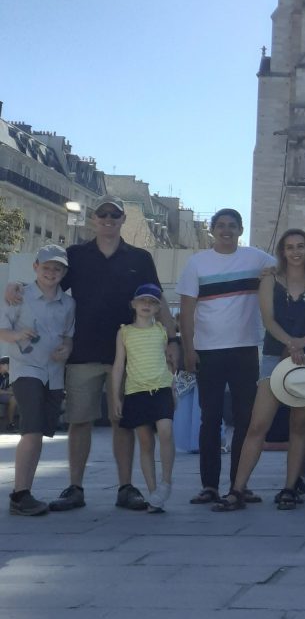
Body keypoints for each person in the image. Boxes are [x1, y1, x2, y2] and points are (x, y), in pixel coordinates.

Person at [4, 195, 179, 513]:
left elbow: (159, 299)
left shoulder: (140, 258)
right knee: (80, 422)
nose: (109, 218)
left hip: (127, 354)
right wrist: (16, 285)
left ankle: (126, 487)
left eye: (115, 214)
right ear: (93, 219)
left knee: (122, 422)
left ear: (123, 219)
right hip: (82, 351)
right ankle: (75, 487)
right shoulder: (76, 255)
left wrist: (173, 339)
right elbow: (48, 282)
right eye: (103, 213)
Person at [211, 229, 305, 511]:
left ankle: (290, 488)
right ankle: (237, 489)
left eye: (300, 246)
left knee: (300, 426)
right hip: (275, 355)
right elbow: (268, 319)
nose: (295, 251)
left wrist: (301, 343)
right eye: (289, 247)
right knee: (258, 425)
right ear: (282, 251)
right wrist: (290, 343)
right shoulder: (269, 281)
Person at [178, 208, 276, 504]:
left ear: (240, 229)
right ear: (212, 230)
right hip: (208, 351)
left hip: (245, 349)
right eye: (220, 225)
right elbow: (186, 311)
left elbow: (289, 267)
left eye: (232, 226)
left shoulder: (257, 258)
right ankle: (209, 485)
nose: (226, 230)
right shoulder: (197, 263)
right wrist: (188, 349)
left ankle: (239, 484)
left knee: (245, 420)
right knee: (211, 419)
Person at [0, 245, 75, 516]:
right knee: (31, 430)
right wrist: (18, 336)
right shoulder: (19, 296)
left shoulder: (68, 303)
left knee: (40, 432)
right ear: (35, 267)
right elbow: (2, 330)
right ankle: (19, 494)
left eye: (57, 268)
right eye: (46, 267)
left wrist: (66, 349)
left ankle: (25, 492)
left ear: (64, 272)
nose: (51, 272)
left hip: (54, 374)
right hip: (27, 369)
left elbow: (68, 335)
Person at [109, 284, 175, 512]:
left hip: (161, 388)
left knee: (166, 431)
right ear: (134, 304)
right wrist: (116, 397)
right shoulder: (124, 332)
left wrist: (174, 387)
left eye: (152, 302)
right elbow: (119, 365)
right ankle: (153, 491)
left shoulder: (162, 331)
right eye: (143, 301)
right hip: (135, 392)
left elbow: (169, 361)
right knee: (146, 442)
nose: (147, 305)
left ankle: (166, 481)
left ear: (158, 308)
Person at [0, 356, 16, 432]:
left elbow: (12, 387)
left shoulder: (8, 374)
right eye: (9, 364)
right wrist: (9, 392)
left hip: (2, 395)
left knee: (13, 399)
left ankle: (10, 424)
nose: (11, 366)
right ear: (2, 365)